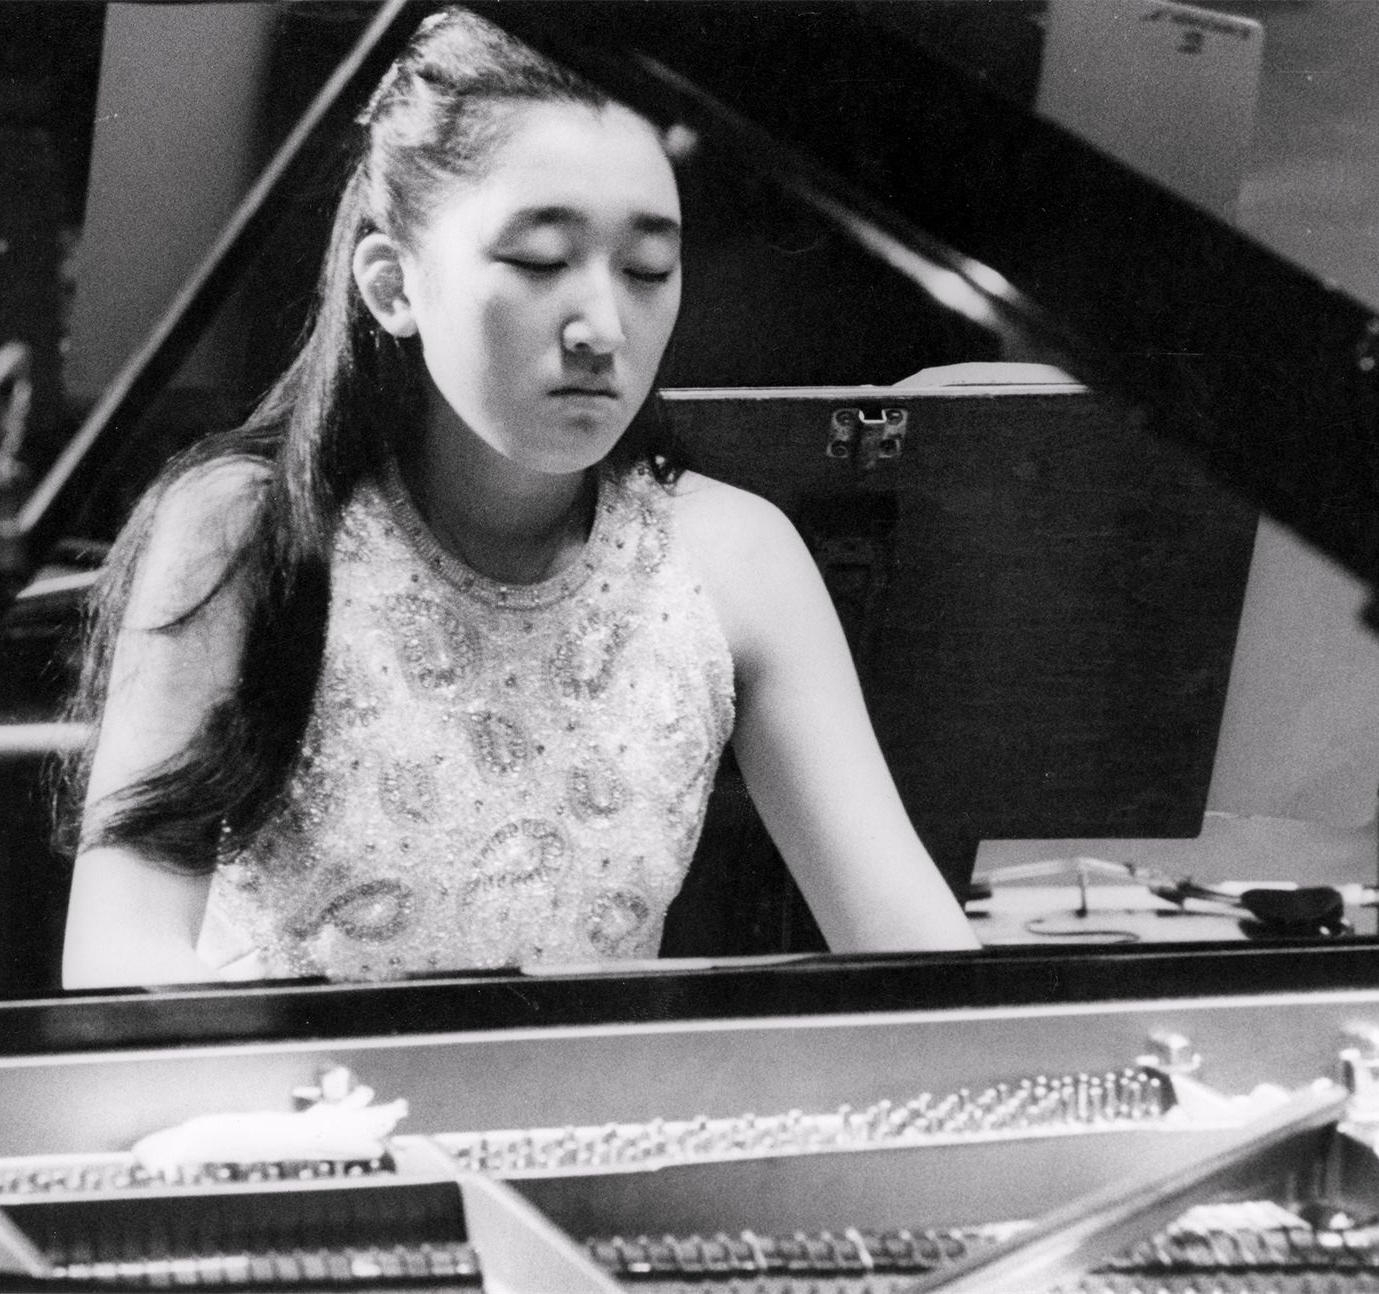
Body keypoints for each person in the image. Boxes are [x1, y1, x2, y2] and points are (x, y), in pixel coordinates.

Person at [59, 7, 977, 989]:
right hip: (292, 1088)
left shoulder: (738, 560)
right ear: (392, 285)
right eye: (541, 261)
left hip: (600, 1090)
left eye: (647, 270)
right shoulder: (243, 530)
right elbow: (116, 962)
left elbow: (924, 968)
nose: (602, 326)